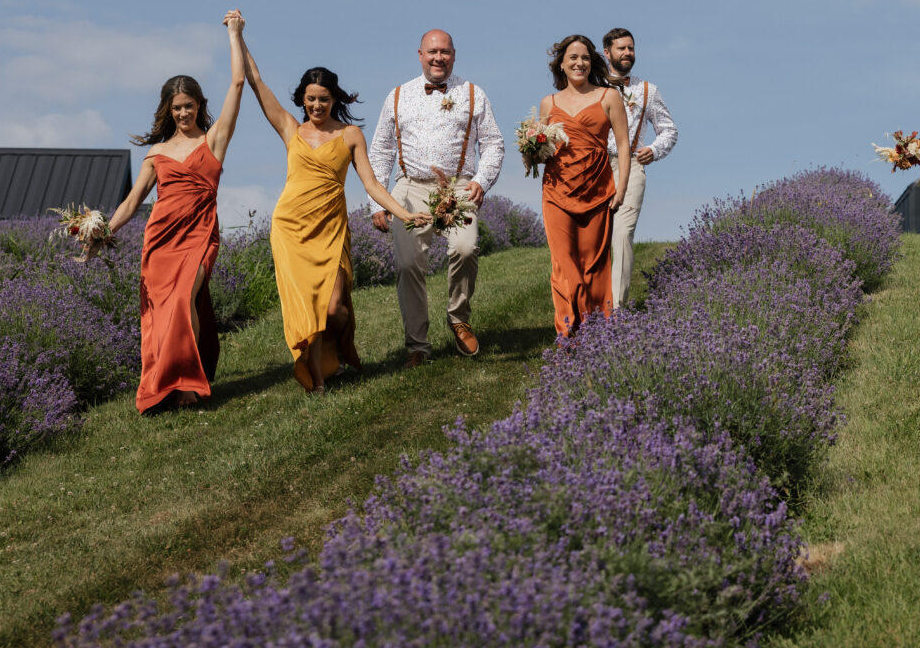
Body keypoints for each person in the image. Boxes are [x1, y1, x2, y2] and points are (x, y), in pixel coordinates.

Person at [243, 44, 429, 393]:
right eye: (311, 99)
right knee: (307, 308)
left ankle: (339, 349)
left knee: (335, 308)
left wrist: (404, 214)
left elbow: (372, 183)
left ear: (334, 99)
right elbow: (256, 82)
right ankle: (316, 381)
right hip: (291, 229)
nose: (316, 105)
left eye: (323, 99)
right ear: (302, 99)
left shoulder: (350, 135)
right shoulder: (290, 129)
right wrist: (237, 35)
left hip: (330, 229)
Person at [105, 10, 247, 413]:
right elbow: (132, 202)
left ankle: (190, 384)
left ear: (200, 106)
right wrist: (102, 232)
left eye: (189, 106)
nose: (183, 113)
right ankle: (168, 385)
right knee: (162, 317)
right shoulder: (158, 153)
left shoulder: (214, 140)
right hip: (161, 242)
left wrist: (234, 34)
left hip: (200, 236)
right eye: (176, 108)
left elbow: (237, 83)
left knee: (185, 302)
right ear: (167, 110)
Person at [368, 29, 506, 366]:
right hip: (410, 186)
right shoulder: (397, 96)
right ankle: (418, 344)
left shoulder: (474, 93)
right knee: (407, 263)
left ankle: (458, 318)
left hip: (457, 186)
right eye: (432, 52)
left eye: (444, 52)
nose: (438, 58)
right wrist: (378, 202)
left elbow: (493, 143)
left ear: (454, 55)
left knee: (465, 247)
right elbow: (381, 150)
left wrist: (482, 181)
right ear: (419, 54)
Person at [540, 34, 630, 337]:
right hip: (556, 190)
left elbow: (623, 144)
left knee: (593, 266)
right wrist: (533, 150)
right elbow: (544, 150)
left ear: (592, 63)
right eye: (573, 58)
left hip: (597, 189)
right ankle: (568, 333)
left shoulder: (609, 97)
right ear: (561, 64)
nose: (579, 63)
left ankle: (595, 332)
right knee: (565, 266)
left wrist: (622, 188)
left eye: (585, 58)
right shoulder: (547, 103)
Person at [600, 27, 678, 305]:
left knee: (621, 234)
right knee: (594, 238)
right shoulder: (592, 86)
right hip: (594, 167)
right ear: (606, 52)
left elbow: (669, 130)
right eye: (621, 48)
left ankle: (617, 310)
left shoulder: (648, 90)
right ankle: (591, 307)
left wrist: (654, 150)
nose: (627, 53)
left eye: (631, 48)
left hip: (631, 167)